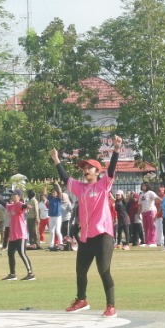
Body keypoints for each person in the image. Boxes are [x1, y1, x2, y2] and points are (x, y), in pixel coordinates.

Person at [53, 135, 123, 317]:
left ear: (97, 171)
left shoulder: (103, 185)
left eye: (89, 167)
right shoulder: (80, 188)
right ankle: (81, 300)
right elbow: (66, 179)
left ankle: (111, 306)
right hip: (86, 236)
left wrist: (116, 150)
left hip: (103, 235)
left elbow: (112, 169)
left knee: (103, 270)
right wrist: (56, 161)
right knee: (80, 271)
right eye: (83, 168)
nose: (85, 170)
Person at [1, 191, 36, 281]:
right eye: (12, 195)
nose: (12, 196)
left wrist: (26, 206)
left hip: (20, 235)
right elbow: (4, 204)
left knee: (22, 253)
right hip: (13, 236)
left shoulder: (19, 204)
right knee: (10, 254)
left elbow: (23, 206)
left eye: (14, 195)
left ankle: (31, 274)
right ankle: (12, 274)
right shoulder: (11, 206)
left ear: (19, 197)